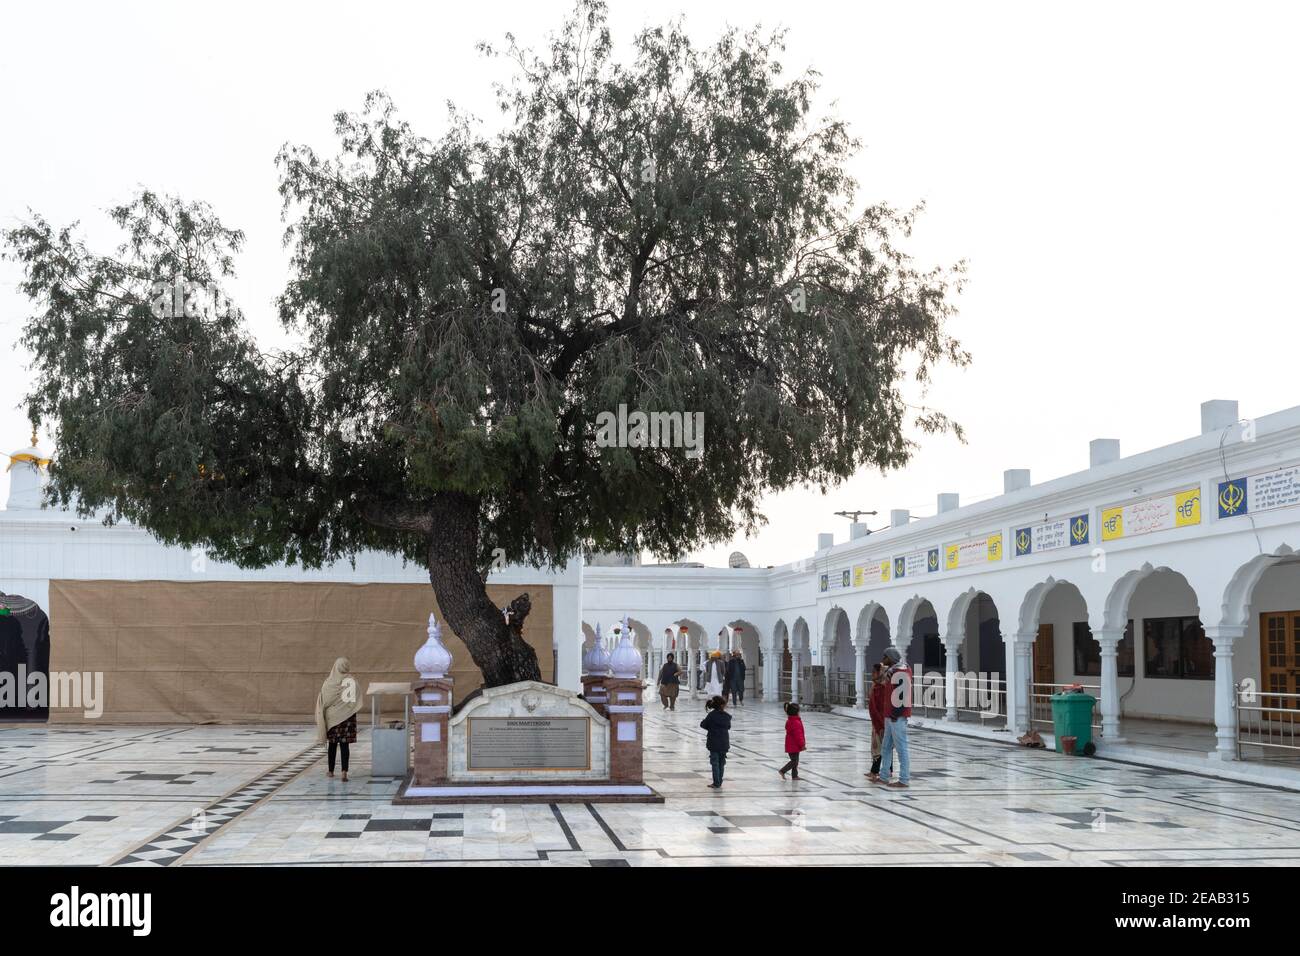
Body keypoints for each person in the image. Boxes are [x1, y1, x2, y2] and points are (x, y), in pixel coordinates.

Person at [315, 657, 361, 781]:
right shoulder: (351, 681)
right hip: (347, 718)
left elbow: (325, 701)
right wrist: (345, 709)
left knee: (333, 745)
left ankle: (330, 771)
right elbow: (353, 702)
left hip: (333, 718)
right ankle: (344, 771)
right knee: (345, 745)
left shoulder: (329, 682)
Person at [873, 647, 912, 789]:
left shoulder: (899, 671)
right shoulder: (896, 670)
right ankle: (884, 776)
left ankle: (904, 780)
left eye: (885, 657)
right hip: (890, 715)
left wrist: (896, 714)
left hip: (896, 716)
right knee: (886, 747)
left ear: (890, 658)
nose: (883, 660)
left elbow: (902, 695)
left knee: (902, 748)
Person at [700, 695, 732, 789]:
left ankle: (716, 783)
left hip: (713, 743)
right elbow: (728, 727)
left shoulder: (711, 715)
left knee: (715, 763)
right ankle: (719, 781)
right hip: (724, 743)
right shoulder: (727, 716)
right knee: (721, 763)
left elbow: (704, 725)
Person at [866, 662, 888, 780]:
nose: (872, 674)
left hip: (882, 720)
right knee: (881, 745)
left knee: (882, 745)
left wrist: (881, 721)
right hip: (876, 720)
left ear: (880, 673)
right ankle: (878, 770)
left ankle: (876, 771)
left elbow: (883, 706)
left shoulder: (883, 687)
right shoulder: (876, 685)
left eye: (874, 672)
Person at [778, 701, 806, 779]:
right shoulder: (796, 722)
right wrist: (802, 745)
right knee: (794, 761)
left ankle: (794, 775)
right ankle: (783, 771)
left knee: (795, 761)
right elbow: (798, 735)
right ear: (796, 712)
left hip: (791, 745)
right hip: (794, 745)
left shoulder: (791, 720)